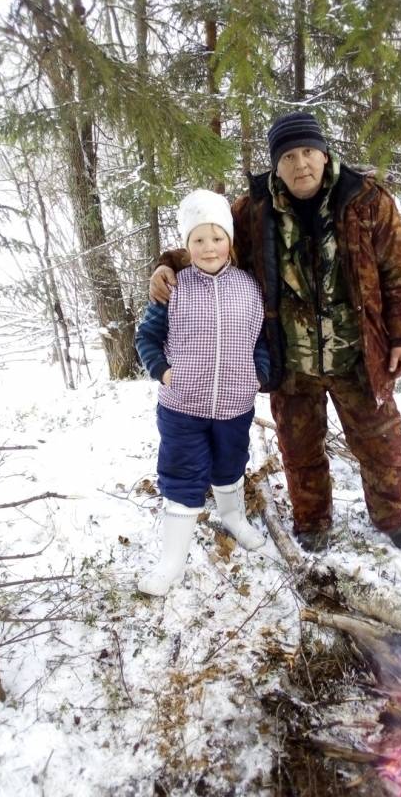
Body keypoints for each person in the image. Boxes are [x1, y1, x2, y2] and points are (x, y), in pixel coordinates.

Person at [150, 113, 401, 554]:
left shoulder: (367, 200)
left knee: (381, 441)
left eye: (309, 152)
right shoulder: (253, 210)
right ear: (276, 165)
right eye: (289, 156)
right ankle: (313, 520)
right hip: (290, 359)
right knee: (300, 448)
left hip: (358, 356)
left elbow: (399, 271)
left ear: (324, 153)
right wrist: (167, 262)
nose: (301, 165)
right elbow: (211, 243)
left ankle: (395, 518)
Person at [135, 189, 270, 596]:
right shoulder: (173, 289)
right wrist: (164, 372)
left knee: (230, 463)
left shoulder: (249, 287)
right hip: (182, 407)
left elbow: (261, 338)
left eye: (216, 238)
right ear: (186, 244)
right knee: (182, 473)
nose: (208, 247)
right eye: (198, 239)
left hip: (235, 402)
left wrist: (258, 373)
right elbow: (147, 337)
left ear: (229, 241)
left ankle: (234, 517)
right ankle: (172, 560)